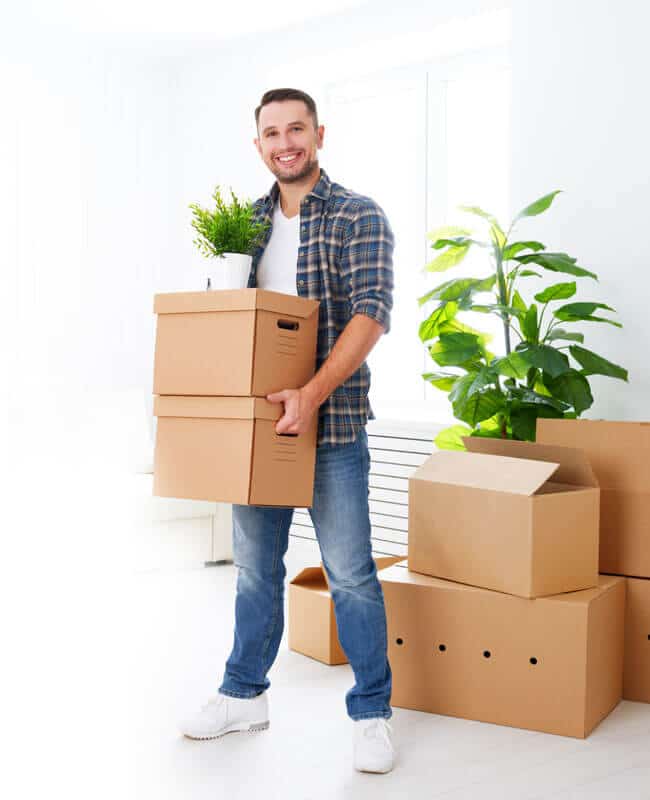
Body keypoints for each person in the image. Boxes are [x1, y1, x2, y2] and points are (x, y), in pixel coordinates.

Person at [180, 88, 396, 774]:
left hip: (331, 426)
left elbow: (372, 314)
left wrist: (311, 393)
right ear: (259, 146)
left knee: (352, 576)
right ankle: (244, 694)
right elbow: (231, 321)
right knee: (253, 573)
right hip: (262, 430)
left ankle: (372, 713)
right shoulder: (243, 225)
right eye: (271, 133)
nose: (285, 142)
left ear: (319, 134)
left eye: (296, 128)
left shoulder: (358, 214)